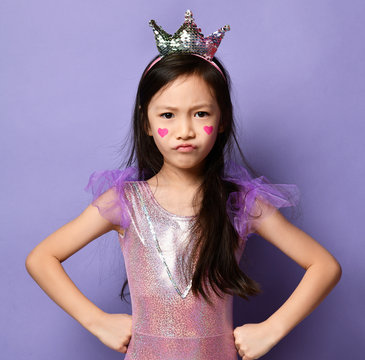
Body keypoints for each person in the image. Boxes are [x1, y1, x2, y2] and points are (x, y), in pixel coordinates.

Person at [25, 9, 342, 360]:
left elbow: (324, 265)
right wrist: (96, 321)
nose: (185, 130)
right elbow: (42, 257)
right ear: (146, 122)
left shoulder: (241, 203)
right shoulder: (126, 201)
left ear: (221, 120)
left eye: (201, 113)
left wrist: (272, 328)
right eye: (167, 115)